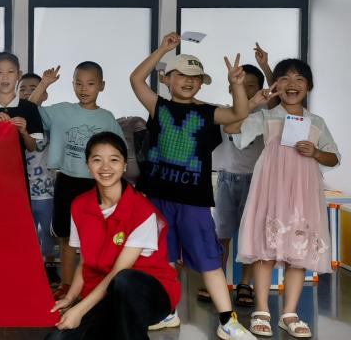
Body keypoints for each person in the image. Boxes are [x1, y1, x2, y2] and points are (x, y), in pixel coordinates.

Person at [129, 32, 254, 339]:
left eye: (195, 78)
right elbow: (136, 79)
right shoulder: (158, 106)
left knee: (209, 260)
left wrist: (237, 85)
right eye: (181, 75)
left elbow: (239, 113)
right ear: (166, 79)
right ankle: (167, 312)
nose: (188, 81)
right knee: (164, 260)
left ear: (201, 84)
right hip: (157, 199)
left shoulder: (207, 112)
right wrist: (162, 49)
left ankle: (227, 321)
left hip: (194, 202)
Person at [231, 59, 340, 338]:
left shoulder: (316, 122)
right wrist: (253, 103)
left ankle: (289, 313)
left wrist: (316, 153)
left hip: (303, 194)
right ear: (276, 84)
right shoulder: (268, 117)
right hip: (271, 190)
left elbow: (334, 157)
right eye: (285, 79)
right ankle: (262, 310)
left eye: (299, 79)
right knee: (265, 250)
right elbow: (232, 129)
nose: (292, 84)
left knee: (298, 253)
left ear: (309, 87)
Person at [47, 132, 180, 340]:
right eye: (97, 160)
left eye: (114, 160)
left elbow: (120, 272)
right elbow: (84, 263)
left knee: (125, 281)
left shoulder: (142, 211)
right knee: (57, 338)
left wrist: (80, 310)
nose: (105, 167)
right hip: (102, 294)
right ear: (88, 165)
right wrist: (71, 298)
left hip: (149, 292)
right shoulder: (80, 206)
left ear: (125, 165)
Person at [27, 62, 125, 301]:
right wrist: (44, 83)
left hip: (96, 185)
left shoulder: (107, 119)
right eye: (78, 83)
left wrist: (116, 185)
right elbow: (29, 109)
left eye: (90, 84)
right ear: (72, 84)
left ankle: (96, 285)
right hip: (66, 181)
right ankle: (67, 284)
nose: (84, 89)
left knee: (97, 238)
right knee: (65, 236)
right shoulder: (61, 111)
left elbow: (120, 153)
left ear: (102, 86)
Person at [201, 63, 268, 306]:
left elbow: (280, 98)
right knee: (221, 235)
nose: (246, 91)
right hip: (226, 179)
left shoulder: (265, 116)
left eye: (252, 86)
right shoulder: (223, 114)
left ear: (261, 90)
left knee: (251, 237)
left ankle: (245, 284)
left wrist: (266, 66)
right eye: (240, 86)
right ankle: (216, 282)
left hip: (256, 182)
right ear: (231, 89)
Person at [18, 72, 59, 284]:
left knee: (48, 233)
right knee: (27, 233)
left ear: (44, 94)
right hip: (23, 191)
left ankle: (49, 264)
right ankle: (30, 267)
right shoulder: (15, 120)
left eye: (33, 89)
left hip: (46, 190)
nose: (27, 93)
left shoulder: (49, 120)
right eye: (22, 89)